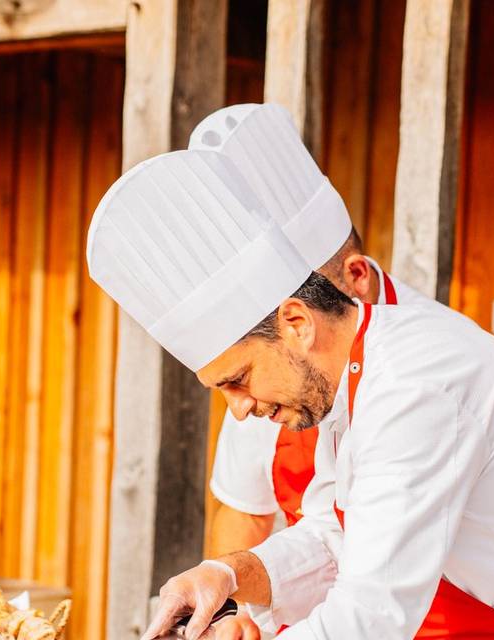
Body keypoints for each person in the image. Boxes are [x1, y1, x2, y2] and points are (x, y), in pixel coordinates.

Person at [86, 147, 494, 639]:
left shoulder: (420, 383)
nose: (238, 409)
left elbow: (372, 616)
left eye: (237, 379)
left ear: (296, 323)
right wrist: (229, 574)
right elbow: (340, 537)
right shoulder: (354, 376)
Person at [187, 105, 421, 562]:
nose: (296, 327)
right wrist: (229, 607)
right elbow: (244, 509)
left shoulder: (421, 364)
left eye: (310, 300)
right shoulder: (269, 363)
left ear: (355, 276)